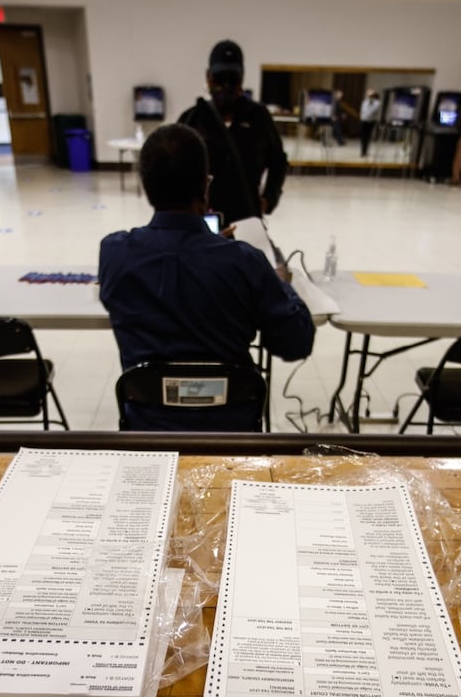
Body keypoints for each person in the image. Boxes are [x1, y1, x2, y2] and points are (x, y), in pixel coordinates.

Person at [98, 124, 314, 430]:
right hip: (230, 434)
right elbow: (297, 343)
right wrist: (280, 282)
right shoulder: (244, 261)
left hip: (148, 434)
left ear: (146, 186)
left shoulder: (114, 253)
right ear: (205, 185)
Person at [177, 40, 288, 227]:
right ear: (208, 77)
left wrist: (269, 199)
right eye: (219, 78)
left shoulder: (259, 117)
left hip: (247, 220)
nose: (225, 86)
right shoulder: (191, 120)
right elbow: (173, 170)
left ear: (242, 80)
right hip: (201, 223)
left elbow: (278, 161)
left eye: (232, 79)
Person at [359, 90, 382, 157]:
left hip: (371, 121)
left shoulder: (377, 103)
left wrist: (370, 101)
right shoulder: (365, 101)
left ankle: (365, 151)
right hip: (363, 121)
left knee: (367, 137)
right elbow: (363, 111)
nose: (368, 96)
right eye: (368, 95)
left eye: (370, 95)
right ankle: (363, 151)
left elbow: (372, 111)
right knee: (363, 137)